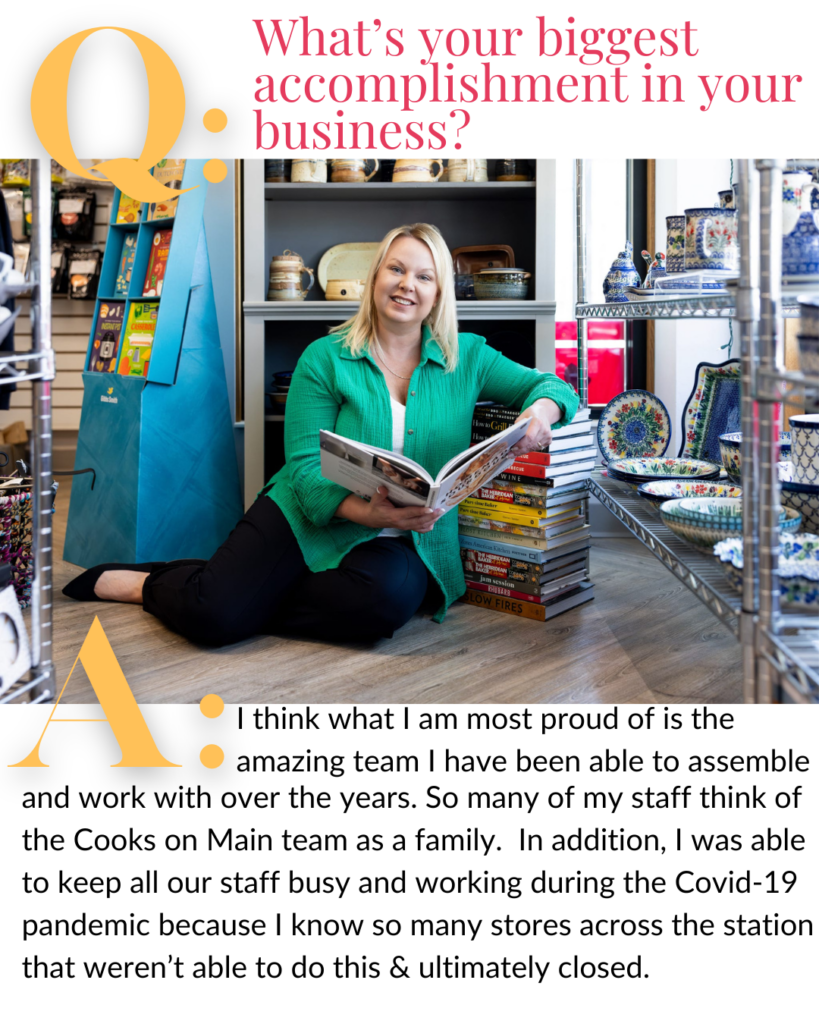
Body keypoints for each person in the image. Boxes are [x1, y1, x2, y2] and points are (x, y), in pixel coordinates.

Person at [63, 223, 579, 646]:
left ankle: (231, 586)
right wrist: (364, 510)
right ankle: (160, 584)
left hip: (401, 541)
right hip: (306, 513)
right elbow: (306, 469)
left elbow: (556, 387)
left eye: (424, 276)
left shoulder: (467, 357)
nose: (407, 285)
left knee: (385, 605)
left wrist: (539, 412)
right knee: (213, 621)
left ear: (438, 292)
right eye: (395, 269)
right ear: (375, 277)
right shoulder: (325, 357)